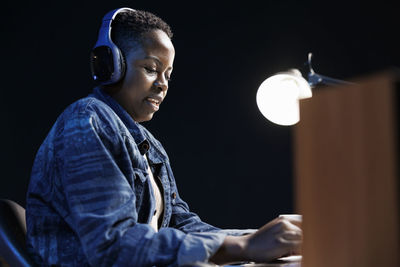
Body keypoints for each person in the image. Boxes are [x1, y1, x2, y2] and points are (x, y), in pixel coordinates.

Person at [26, 7, 302, 266]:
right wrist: (243, 247)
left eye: (168, 74)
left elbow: (180, 225)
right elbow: (111, 245)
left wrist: (265, 238)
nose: (163, 84)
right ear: (110, 65)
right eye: (151, 68)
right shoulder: (87, 120)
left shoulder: (148, 145)